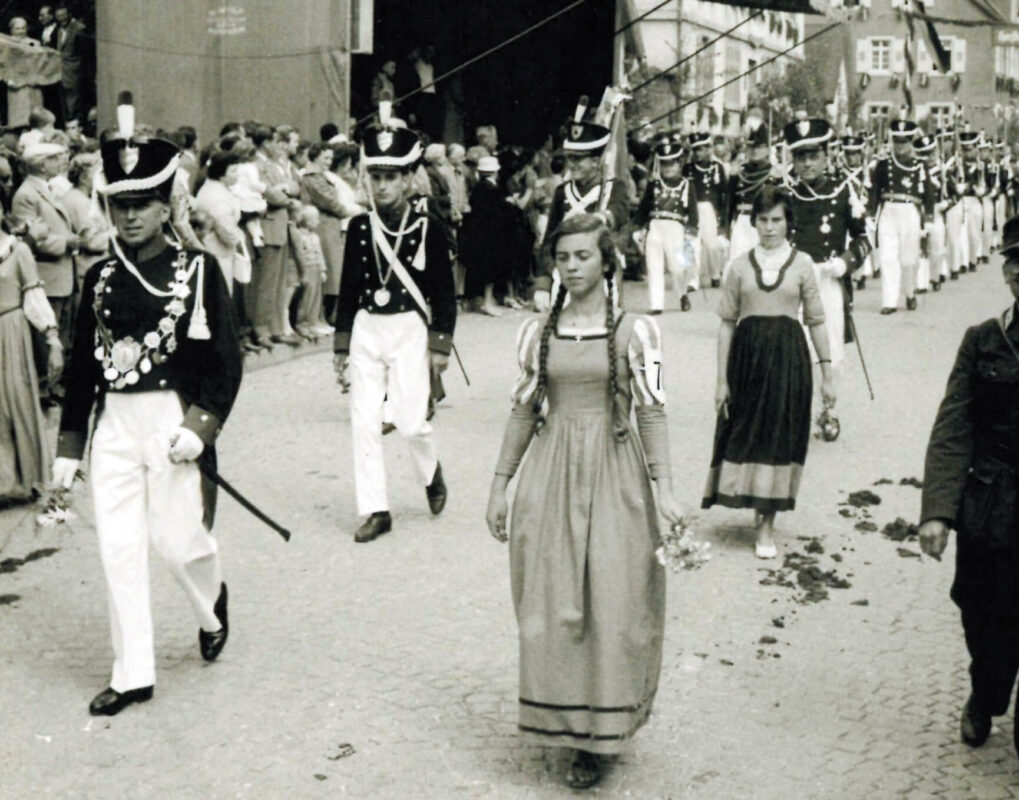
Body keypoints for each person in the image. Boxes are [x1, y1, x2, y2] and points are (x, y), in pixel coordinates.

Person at [52, 105, 243, 716]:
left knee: (177, 542)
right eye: (119, 204)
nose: (130, 216)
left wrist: (199, 426)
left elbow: (224, 361)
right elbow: (83, 368)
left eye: (143, 202)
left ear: (167, 205)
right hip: (114, 427)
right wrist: (68, 448)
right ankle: (133, 672)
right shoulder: (100, 278)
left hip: (170, 422)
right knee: (119, 549)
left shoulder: (197, 270)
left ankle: (212, 601)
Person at [485, 213, 681, 790]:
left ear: (607, 262)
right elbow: (523, 409)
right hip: (550, 475)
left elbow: (652, 409)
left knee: (613, 602)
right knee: (551, 602)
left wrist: (665, 486)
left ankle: (603, 735)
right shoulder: (538, 331)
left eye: (583, 257)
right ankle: (563, 724)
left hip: (615, 475)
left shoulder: (638, 332)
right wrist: (500, 483)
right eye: (563, 258)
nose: (571, 268)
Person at [919, 215, 1019, 755]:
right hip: (989, 508)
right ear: (1007, 273)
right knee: (982, 613)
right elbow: (953, 428)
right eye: (1017, 263)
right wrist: (938, 510)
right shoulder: (983, 341)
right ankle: (986, 691)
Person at [332, 124, 454, 543]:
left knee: (410, 421)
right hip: (368, 327)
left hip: (409, 329)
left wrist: (441, 343)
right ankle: (376, 509)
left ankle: (430, 470)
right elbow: (348, 288)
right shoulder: (361, 228)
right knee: (364, 421)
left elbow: (443, 290)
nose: (381, 186)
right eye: (375, 177)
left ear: (406, 180)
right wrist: (342, 343)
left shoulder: (428, 227)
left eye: (390, 178)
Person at [703, 187, 835, 559]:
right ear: (754, 223)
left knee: (780, 436)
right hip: (746, 362)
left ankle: (766, 524)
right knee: (747, 432)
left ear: (788, 222)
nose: (770, 228)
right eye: (763, 220)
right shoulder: (739, 267)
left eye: (777, 219)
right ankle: (752, 500)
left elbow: (817, 321)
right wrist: (721, 379)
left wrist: (828, 372)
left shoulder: (803, 264)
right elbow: (727, 323)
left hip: (789, 361)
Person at [782, 115, 871, 402]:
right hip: (790, 281)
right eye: (800, 156)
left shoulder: (843, 190)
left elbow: (864, 239)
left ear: (826, 155)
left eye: (814, 155)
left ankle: (828, 406)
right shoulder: (785, 194)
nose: (807, 163)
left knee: (829, 347)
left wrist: (845, 262)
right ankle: (796, 408)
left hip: (829, 279)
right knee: (793, 347)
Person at [533, 112, 628, 312]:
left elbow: (618, 212)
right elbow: (549, 240)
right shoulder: (562, 192)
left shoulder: (613, 188)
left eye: (580, 159)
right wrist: (543, 282)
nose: (573, 164)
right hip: (567, 272)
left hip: (600, 271)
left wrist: (603, 217)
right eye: (570, 158)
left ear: (596, 162)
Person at [0, 218, 62, 505]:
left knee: (18, 402)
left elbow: (34, 297)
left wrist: (52, 340)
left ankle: (28, 479)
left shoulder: (18, 250)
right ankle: (4, 480)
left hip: (12, 333)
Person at [11, 139, 79, 353]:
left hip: (61, 276)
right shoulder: (26, 195)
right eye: (54, 159)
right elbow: (30, 239)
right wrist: (66, 241)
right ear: (41, 165)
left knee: (62, 333)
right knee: (48, 340)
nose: (60, 162)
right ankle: (48, 383)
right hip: (47, 277)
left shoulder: (46, 189)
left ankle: (55, 383)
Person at [868, 119, 934, 314]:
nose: (901, 146)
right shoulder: (882, 165)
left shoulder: (919, 166)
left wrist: (928, 219)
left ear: (911, 142)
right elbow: (875, 192)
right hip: (889, 210)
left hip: (910, 211)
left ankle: (910, 292)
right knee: (888, 256)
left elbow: (928, 194)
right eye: (897, 141)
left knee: (908, 257)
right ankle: (889, 301)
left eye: (904, 141)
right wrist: (870, 215)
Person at [633, 132, 698, 313]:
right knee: (654, 265)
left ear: (680, 164)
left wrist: (692, 231)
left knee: (678, 268)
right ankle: (656, 304)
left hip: (675, 228)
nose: (669, 168)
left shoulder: (687, 184)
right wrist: (636, 226)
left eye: (673, 163)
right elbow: (644, 208)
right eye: (665, 164)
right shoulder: (653, 185)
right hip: (655, 226)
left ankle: (682, 293)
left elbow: (692, 210)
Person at [727, 117, 776, 264]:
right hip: (742, 221)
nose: (754, 151)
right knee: (738, 263)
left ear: (767, 149)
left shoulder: (774, 174)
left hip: (764, 221)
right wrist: (725, 228)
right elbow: (730, 202)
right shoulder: (739, 172)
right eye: (751, 147)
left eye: (759, 147)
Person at [684, 131, 729, 289]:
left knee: (712, 245)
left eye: (703, 149)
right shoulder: (688, 169)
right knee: (690, 244)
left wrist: (722, 216)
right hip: (692, 209)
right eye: (696, 150)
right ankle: (691, 279)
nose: (699, 153)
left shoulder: (718, 168)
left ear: (710, 149)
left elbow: (724, 193)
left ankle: (715, 274)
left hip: (710, 210)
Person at [7, 18, 44, 129]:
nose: (20, 31)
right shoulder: (6, 44)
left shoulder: (34, 43)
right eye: (17, 28)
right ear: (12, 30)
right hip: (15, 84)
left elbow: (41, 63)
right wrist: (7, 79)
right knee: (18, 114)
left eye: (23, 28)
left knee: (35, 113)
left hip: (32, 83)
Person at [53, 5, 84, 123]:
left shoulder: (79, 28)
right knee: (63, 101)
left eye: (63, 15)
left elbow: (84, 53)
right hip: (60, 70)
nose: (61, 19)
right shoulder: (58, 30)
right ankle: (67, 124)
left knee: (74, 101)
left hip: (74, 70)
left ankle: (75, 124)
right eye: (58, 16)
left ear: (69, 14)